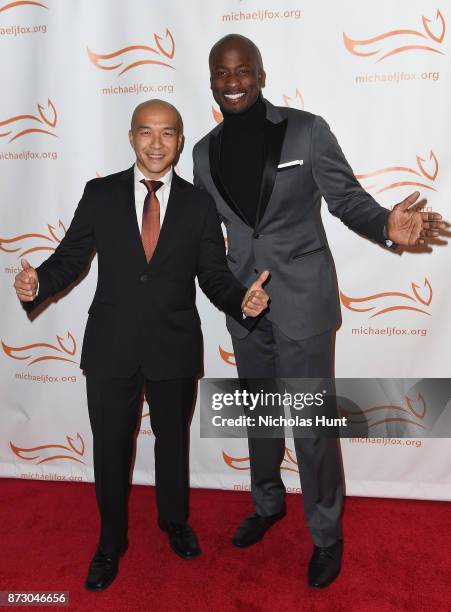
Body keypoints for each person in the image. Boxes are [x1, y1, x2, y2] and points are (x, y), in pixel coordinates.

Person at [193, 34, 444, 588]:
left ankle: (327, 534)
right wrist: (225, 292)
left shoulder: (306, 129)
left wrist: (385, 225)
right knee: (258, 411)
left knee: (309, 423)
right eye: (221, 73)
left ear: (260, 73)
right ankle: (266, 503)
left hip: (303, 300)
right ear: (210, 79)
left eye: (242, 71)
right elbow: (210, 235)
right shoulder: (202, 153)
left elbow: (345, 198)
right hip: (245, 303)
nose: (232, 82)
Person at [14, 99, 269, 592]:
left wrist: (244, 300)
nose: (157, 143)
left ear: (179, 139)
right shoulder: (100, 194)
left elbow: (214, 276)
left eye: (168, 133)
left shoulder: (199, 204)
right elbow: (69, 259)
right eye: (146, 133)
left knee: (172, 443)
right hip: (111, 345)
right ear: (131, 137)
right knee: (110, 449)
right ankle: (110, 543)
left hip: (173, 345)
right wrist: (37, 284)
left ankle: (174, 521)